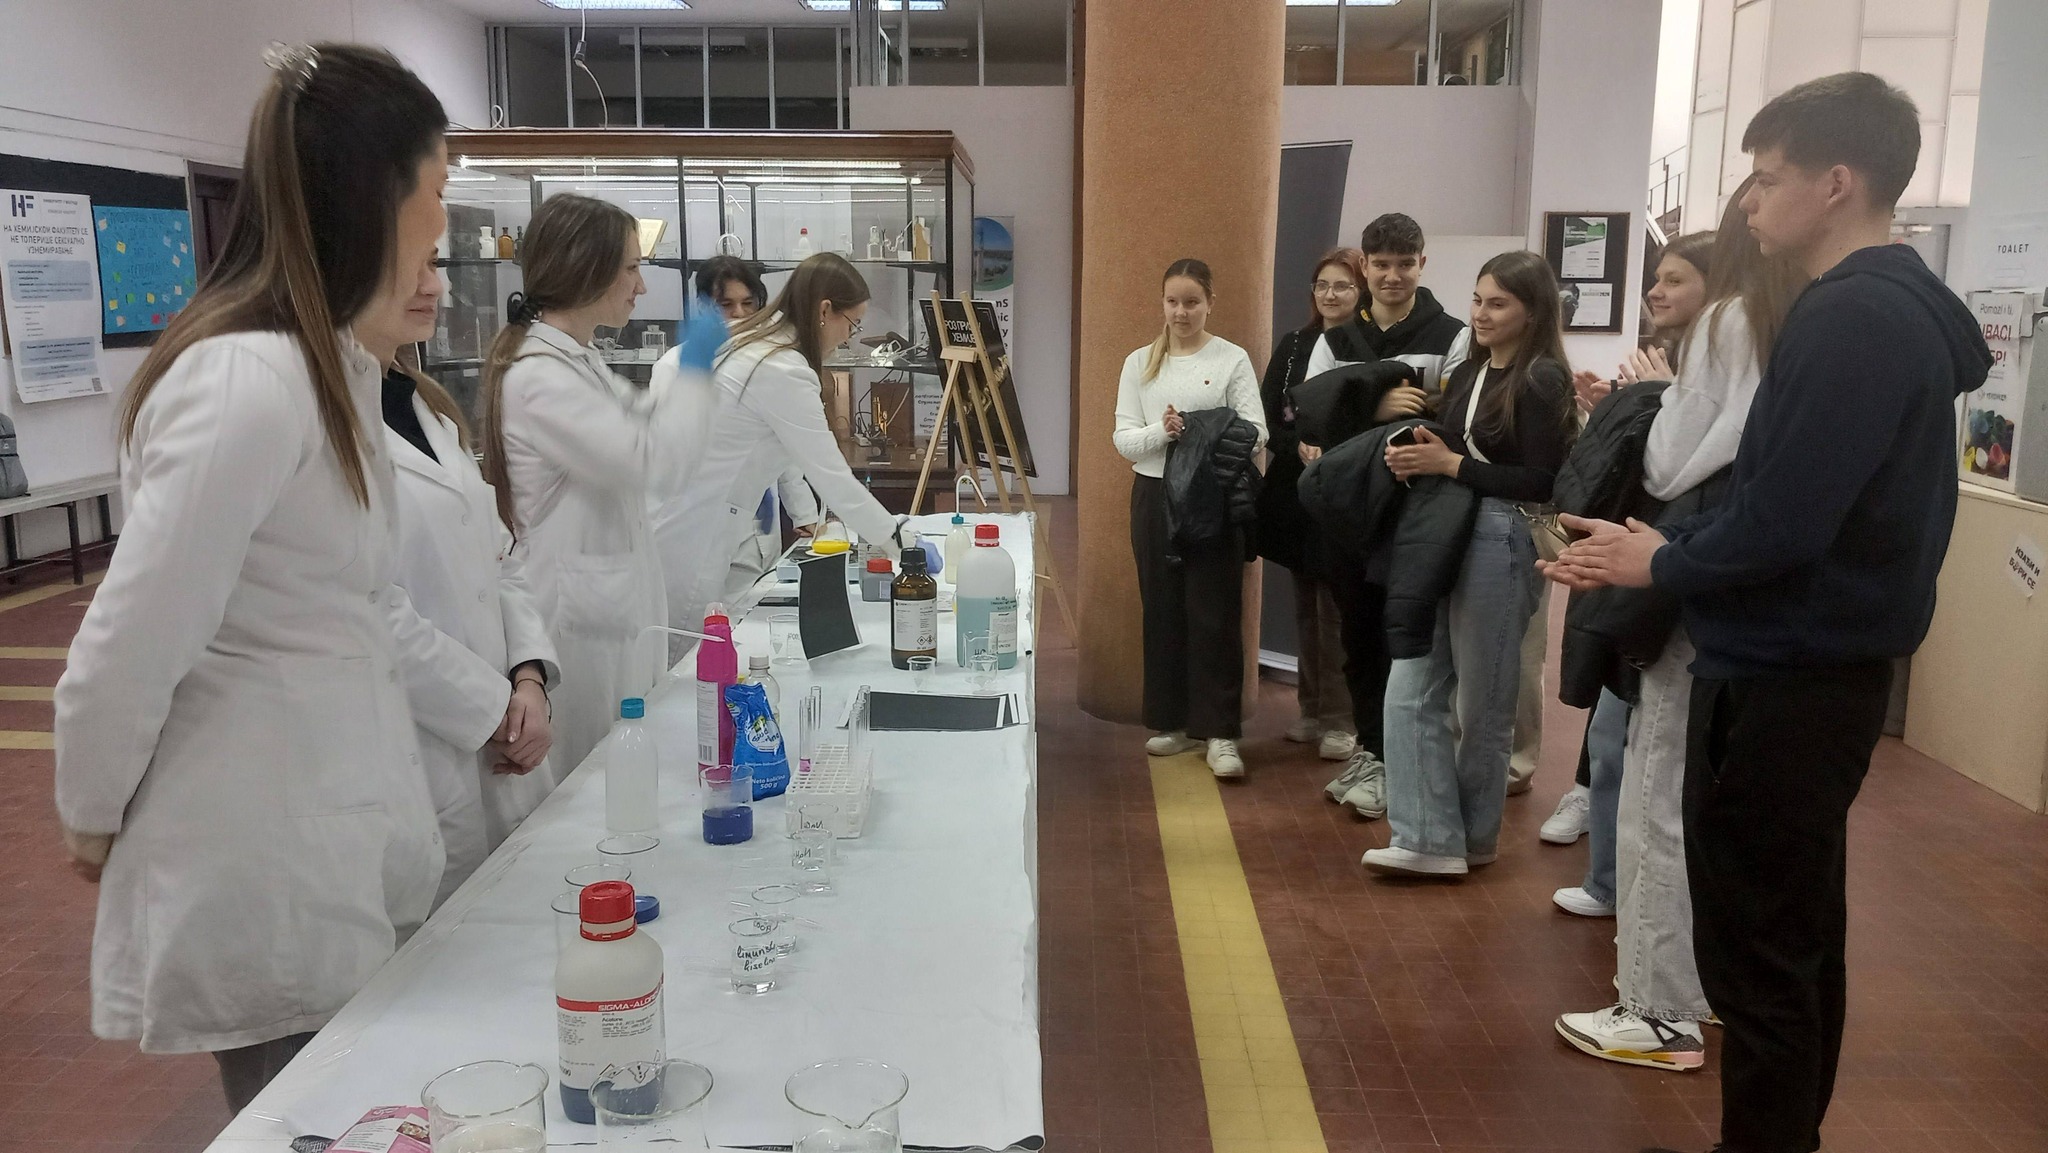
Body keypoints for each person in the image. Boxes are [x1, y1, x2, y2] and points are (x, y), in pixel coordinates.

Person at [1545, 73, 1991, 1153]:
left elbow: (1782, 519)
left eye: (1766, 178)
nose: (1748, 202)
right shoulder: (1886, 308)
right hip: (1815, 662)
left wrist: (1660, 559)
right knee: (1791, 935)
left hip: (1786, 669)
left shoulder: (1849, 317)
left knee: (1759, 950)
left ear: (1836, 184)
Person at [52, 44, 449, 1111]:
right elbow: (136, 632)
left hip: (325, 828)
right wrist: (91, 807)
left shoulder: (328, 369)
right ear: (377, 197)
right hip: (265, 853)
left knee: (348, 1105)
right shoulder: (247, 379)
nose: (442, 225)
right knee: (304, 1116)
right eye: (436, 188)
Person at [1555, 178, 1804, 1070]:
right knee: (1709, 799)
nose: (1759, 203)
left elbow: (1670, 460)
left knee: (1658, 788)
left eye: (1769, 179)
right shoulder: (1809, 318)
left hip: (1692, 579)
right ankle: (1696, 990)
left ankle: (1658, 1009)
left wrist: (1654, 397)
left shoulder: (1732, 322)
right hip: (1764, 599)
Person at [482, 193, 718, 779]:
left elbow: (646, 419)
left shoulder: (577, 362)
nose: (641, 286)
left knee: (621, 773)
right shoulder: (540, 378)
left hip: (607, 610)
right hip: (576, 624)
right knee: (590, 786)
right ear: (587, 270)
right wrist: (693, 372)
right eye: (632, 268)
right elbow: (653, 458)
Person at [1362, 251, 1574, 877]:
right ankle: (1428, 835)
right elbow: (1463, 452)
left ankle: (1473, 839)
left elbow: (1543, 481)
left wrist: (1450, 464)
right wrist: (1425, 454)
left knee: (1482, 703)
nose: (1481, 314)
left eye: (1498, 303)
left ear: (1532, 312)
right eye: (1478, 300)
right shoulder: (1474, 371)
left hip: (1502, 536)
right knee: (1412, 687)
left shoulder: (1541, 379)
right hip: (1450, 529)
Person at [374, 279, 558, 907]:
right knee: (438, 934)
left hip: (504, 724)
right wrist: (493, 707)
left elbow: (500, 559)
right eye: (418, 262)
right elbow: (371, 611)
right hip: (421, 741)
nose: (440, 283)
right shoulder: (323, 423)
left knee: (517, 914)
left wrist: (529, 677)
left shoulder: (426, 405)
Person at [1545, 229, 1716, 893]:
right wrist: (1616, 408)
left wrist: (1657, 398)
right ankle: (1603, 855)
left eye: (1675, 279)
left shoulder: (1715, 369)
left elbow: (1681, 468)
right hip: (1632, 557)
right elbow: (1643, 461)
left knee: (1645, 749)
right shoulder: (1670, 362)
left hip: (1669, 569)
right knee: (1611, 717)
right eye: (1657, 278)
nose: (1656, 291)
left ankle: (1617, 885)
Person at [1300, 214, 1470, 818]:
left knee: (1410, 638)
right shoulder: (1335, 338)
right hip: (1350, 510)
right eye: (1381, 265)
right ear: (1364, 267)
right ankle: (1371, 749)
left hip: (1416, 511)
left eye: (1404, 263)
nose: (1392, 276)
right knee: (1357, 634)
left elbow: (1457, 417)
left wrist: (1370, 406)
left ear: (1422, 263)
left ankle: (1400, 760)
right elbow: (1311, 417)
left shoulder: (1453, 334)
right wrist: (1375, 406)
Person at [653, 253, 905, 633]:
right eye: (852, 324)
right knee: (683, 656)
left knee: (690, 648)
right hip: (692, 536)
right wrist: (901, 542)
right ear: (825, 310)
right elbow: (834, 480)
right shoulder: (782, 368)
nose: (848, 337)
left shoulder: (757, 342)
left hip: (686, 525)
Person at [1116, 259, 1267, 779]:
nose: (1181, 312)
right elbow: (1124, 439)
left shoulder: (1231, 358)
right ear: (1162, 303)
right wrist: (1164, 432)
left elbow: (1257, 431)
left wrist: (1198, 430)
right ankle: (1173, 722)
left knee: (1215, 613)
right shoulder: (1139, 362)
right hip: (1154, 496)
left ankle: (1220, 733)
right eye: (1172, 302)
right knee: (1162, 610)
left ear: (1209, 303)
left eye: (1192, 302)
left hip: (1212, 497)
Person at [1257, 248, 1366, 767]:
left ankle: (1342, 720)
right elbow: (1267, 413)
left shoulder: (1368, 345)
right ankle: (1311, 709)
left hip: (1347, 492)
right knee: (1305, 604)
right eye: (1322, 284)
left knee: (1337, 609)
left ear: (1361, 291)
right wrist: (1295, 446)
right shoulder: (1295, 344)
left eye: (1342, 285)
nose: (1330, 294)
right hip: (1296, 488)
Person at [686, 255, 823, 592]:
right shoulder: (681, 369)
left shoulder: (766, 365)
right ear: (703, 307)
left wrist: (804, 515)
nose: (740, 315)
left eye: (748, 304)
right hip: (709, 536)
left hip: (763, 533)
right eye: (726, 305)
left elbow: (782, 446)